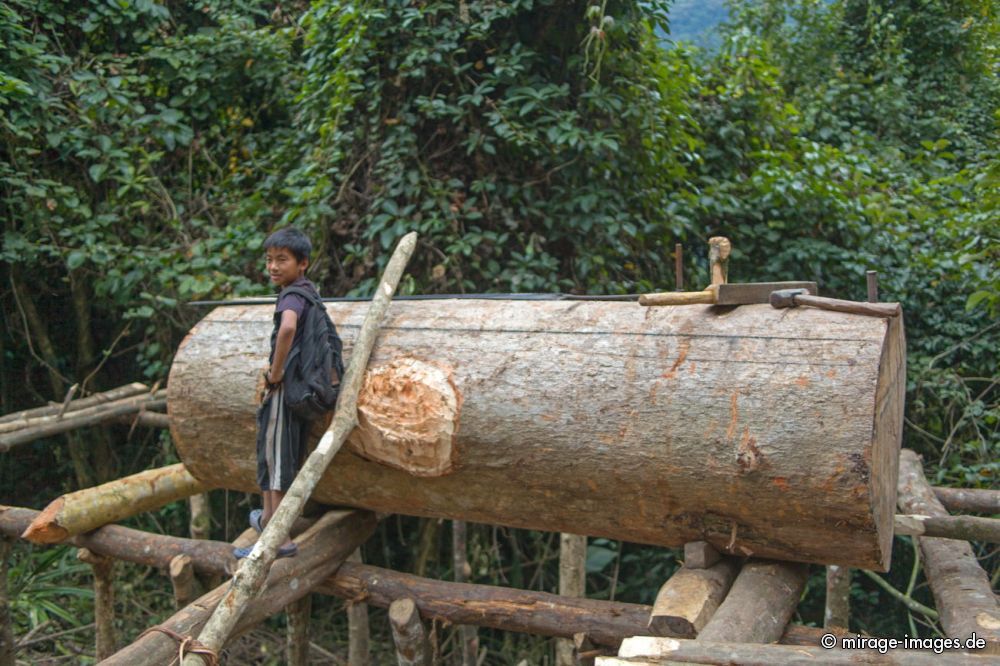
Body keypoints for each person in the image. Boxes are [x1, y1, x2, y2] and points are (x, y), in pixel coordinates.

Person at [234, 227, 322, 559]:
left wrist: (275, 374)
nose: (273, 267)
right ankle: (270, 520)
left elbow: (287, 328)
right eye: (269, 260)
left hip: (286, 391)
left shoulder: (291, 296)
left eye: (282, 260)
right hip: (299, 390)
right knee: (275, 458)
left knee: (276, 460)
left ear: (303, 263)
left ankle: (278, 538)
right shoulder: (306, 291)